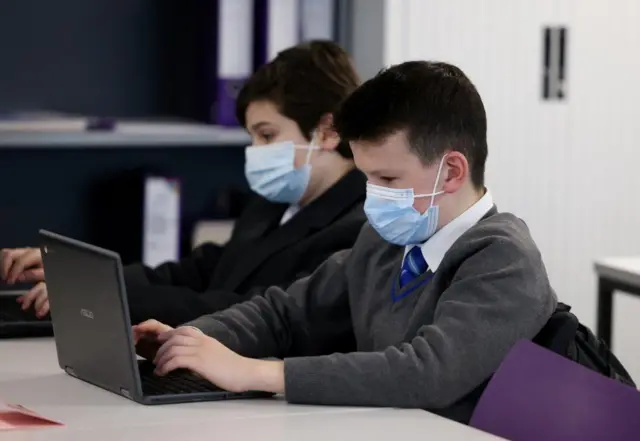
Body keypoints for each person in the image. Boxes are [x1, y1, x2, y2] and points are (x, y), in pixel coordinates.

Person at [128, 60, 568, 422]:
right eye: (367, 176)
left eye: (388, 178)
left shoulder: (503, 257)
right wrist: (192, 340)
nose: (373, 193)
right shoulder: (384, 241)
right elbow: (285, 312)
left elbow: (425, 372)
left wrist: (258, 373)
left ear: (451, 171)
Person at [0, 40, 366, 327]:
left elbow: (256, 307)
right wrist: (81, 273)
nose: (255, 152)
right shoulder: (275, 203)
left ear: (328, 132)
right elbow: (202, 273)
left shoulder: (358, 227)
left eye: (267, 136)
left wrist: (104, 294)